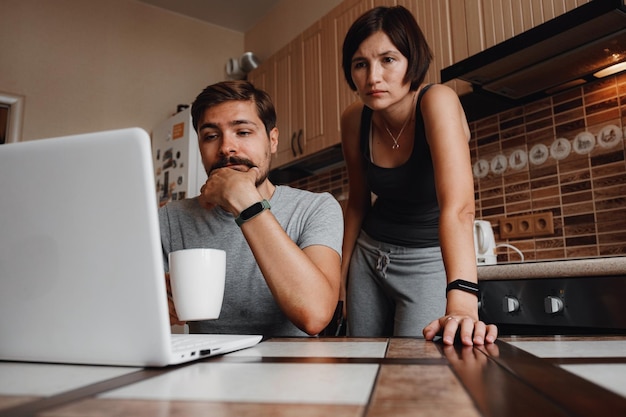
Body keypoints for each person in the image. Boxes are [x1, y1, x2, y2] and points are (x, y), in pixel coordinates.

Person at [339, 6, 497, 345]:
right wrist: (339, 279)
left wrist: (463, 298)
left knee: (419, 367)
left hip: (426, 260)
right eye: (360, 64)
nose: (373, 77)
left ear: (413, 59)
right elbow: (356, 203)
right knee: (359, 362)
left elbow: (458, 208)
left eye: (388, 60)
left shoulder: (436, 100)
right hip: (368, 257)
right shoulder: (354, 118)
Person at [159, 80, 343, 337]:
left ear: (273, 140)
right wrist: (149, 300)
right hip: (207, 371)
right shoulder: (170, 219)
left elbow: (315, 315)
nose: (226, 148)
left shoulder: (315, 208)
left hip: (294, 372)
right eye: (211, 136)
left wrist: (244, 201)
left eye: (243, 132)